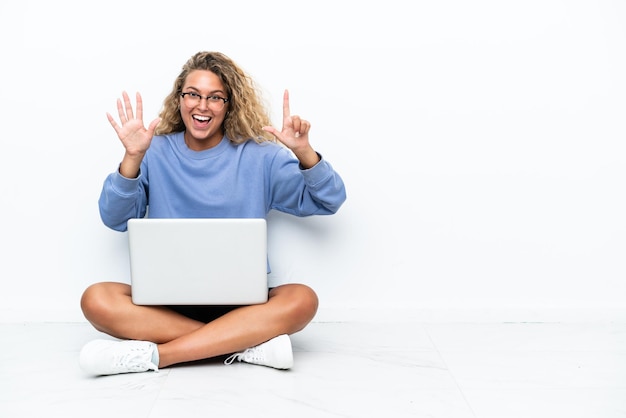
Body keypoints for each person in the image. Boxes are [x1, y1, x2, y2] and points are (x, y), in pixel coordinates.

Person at [78, 51, 346, 376]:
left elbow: (330, 199)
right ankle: (246, 345)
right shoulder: (154, 151)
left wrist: (304, 152)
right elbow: (114, 218)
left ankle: (158, 356)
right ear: (179, 99)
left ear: (228, 105)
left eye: (215, 98)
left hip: (244, 304)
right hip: (166, 304)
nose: (202, 106)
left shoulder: (261, 156)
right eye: (193, 94)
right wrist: (132, 157)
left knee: (303, 299)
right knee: (96, 299)